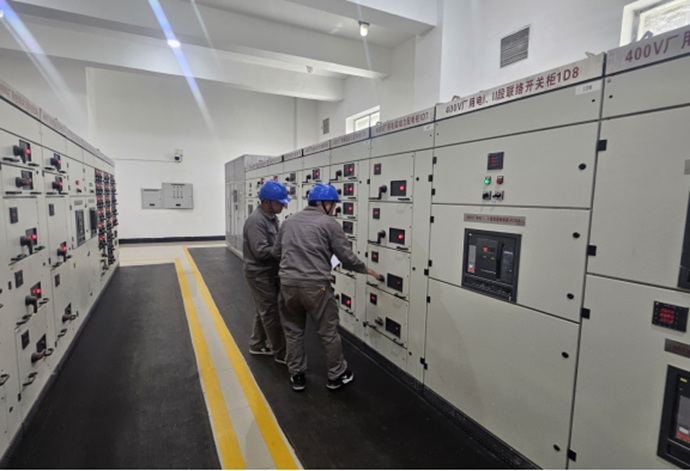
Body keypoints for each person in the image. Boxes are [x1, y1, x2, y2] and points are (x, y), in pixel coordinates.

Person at [271, 183, 383, 391]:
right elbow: (346, 257)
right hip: (315, 286)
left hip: (287, 285)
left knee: (293, 331)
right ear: (326, 204)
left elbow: (276, 252)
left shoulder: (288, 222)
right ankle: (337, 374)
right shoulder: (329, 224)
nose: (335, 209)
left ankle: (297, 375)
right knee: (327, 331)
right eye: (334, 205)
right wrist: (366, 270)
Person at [243, 180, 290, 364]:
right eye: (280, 203)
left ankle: (256, 344)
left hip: (269, 271)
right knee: (270, 312)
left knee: (263, 309)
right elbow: (260, 252)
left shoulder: (271, 217)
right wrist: (285, 251)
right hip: (259, 273)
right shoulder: (256, 221)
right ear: (266, 202)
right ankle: (281, 353)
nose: (283, 206)